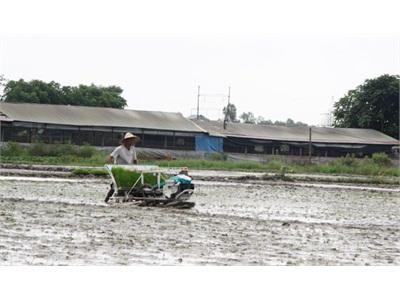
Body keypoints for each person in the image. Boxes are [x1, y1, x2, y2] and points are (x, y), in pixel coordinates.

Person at [105, 132, 140, 202]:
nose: (131, 141)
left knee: (129, 185)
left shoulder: (133, 149)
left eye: (132, 140)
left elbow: (135, 160)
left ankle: (126, 199)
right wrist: (111, 167)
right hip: (119, 170)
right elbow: (111, 157)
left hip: (129, 169)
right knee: (114, 186)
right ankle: (106, 200)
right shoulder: (119, 149)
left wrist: (137, 168)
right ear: (126, 141)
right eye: (130, 140)